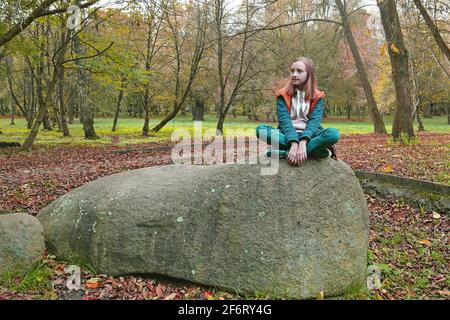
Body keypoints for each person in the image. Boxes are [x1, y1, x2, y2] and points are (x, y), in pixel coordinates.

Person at [256, 57, 340, 166]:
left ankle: (286, 152)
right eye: (292, 71)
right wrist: (294, 143)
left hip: (311, 136)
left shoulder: (317, 96)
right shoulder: (282, 95)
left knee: (333, 134)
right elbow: (284, 122)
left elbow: (314, 122)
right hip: (286, 135)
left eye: (299, 71)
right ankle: (314, 151)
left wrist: (303, 142)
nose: (294, 74)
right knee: (261, 130)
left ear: (309, 74)